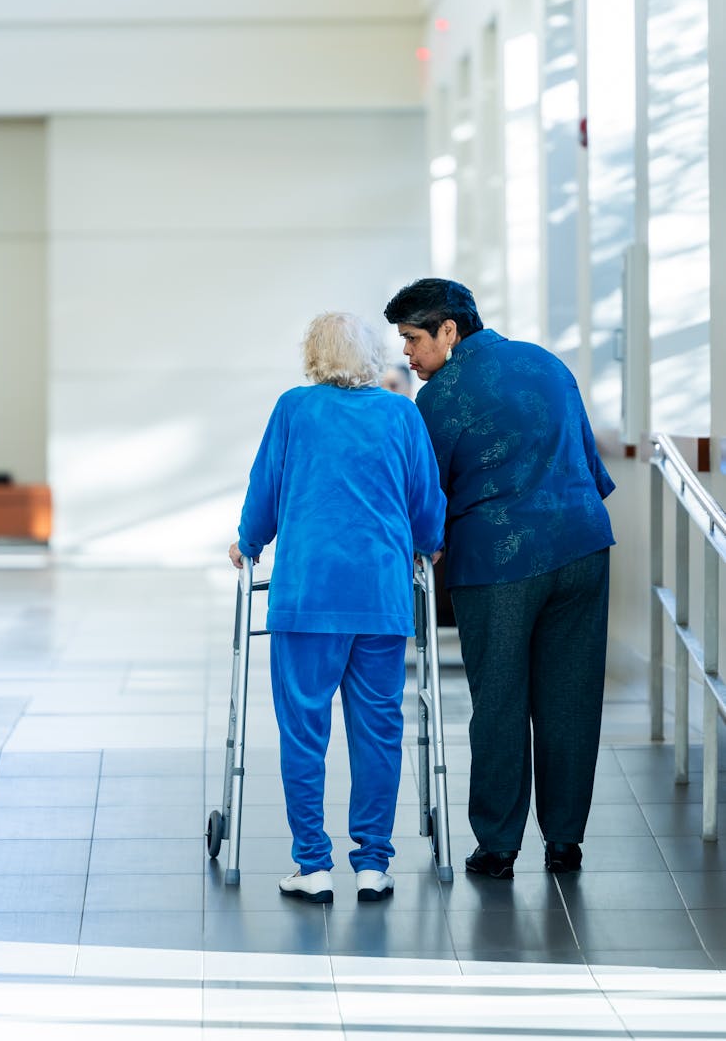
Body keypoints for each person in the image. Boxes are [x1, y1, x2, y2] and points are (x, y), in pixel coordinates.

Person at [383, 279, 615, 880]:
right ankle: (565, 843)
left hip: (499, 563)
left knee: (500, 703)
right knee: (571, 697)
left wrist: (422, 548)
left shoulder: (438, 398)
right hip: (584, 545)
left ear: (448, 331)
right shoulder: (546, 362)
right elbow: (591, 465)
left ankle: (498, 846)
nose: (407, 355)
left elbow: (425, 498)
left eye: (412, 339)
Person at [228, 311, 446, 904]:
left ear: (313, 355)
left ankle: (313, 866)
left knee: (304, 731)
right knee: (378, 730)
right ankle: (373, 863)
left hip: (308, 596)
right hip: (379, 594)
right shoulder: (400, 413)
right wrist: (428, 542)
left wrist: (246, 544)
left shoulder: (294, 409)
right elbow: (426, 503)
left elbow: (265, 491)